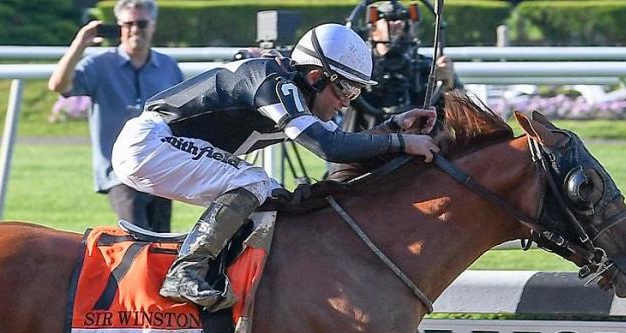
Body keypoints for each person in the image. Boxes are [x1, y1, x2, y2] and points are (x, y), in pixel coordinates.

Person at [112, 23, 440, 310]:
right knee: (253, 180)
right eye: (344, 88)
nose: (346, 101)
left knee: (272, 194)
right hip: (151, 143)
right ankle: (186, 271)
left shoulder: (295, 89)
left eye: (354, 92)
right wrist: (403, 144)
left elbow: (344, 142)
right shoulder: (275, 85)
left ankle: (232, 272)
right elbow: (330, 149)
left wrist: (395, 126)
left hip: (163, 147)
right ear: (315, 76)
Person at [49, 0, 184, 233]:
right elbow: (58, 84)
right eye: (127, 24)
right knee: (138, 239)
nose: (134, 30)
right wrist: (80, 43)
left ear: (152, 26)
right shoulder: (98, 65)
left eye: (141, 24)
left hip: (160, 169)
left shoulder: (168, 66)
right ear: (119, 26)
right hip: (120, 172)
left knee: (163, 242)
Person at [344, 0, 460, 132]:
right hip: (366, 144)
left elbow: (461, 118)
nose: (399, 23)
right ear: (373, 30)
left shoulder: (430, 69)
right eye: (391, 19)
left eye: (405, 19)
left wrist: (449, 87)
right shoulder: (359, 67)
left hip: (423, 146)